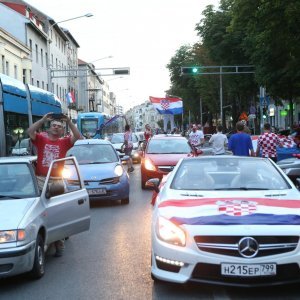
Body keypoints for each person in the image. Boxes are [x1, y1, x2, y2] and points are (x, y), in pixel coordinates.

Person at [27, 112, 81, 257]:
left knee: (57, 213)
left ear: (63, 130)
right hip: (40, 180)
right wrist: (43, 119)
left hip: (57, 180)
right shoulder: (41, 139)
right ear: (49, 128)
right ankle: (41, 238)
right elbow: (30, 131)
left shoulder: (64, 142)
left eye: (59, 126)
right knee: (41, 211)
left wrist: (69, 121)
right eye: (54, 126)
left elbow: (78, 136)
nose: (56, 128)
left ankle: (59, 242)